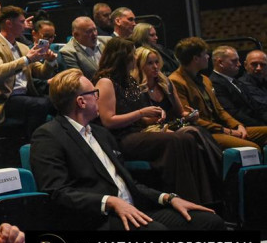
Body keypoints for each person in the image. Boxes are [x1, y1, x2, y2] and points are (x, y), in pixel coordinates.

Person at [30, 68, 224, 232]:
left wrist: (168, 198)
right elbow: (57, 192)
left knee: (209, 222)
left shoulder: (100, 133)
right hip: (99, 218)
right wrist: (110, 201)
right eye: (94, 93)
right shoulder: (49, 136)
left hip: (135, 208)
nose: (98, 97)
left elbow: (129, 183)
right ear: (81, 102)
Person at [94, 38, 216, 204]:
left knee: (187, 138)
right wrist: (141, 113)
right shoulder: (106, 82)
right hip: (120, 137)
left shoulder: (130, 81)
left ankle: (204, 197)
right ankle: (183, 197)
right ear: (122, 56)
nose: (135, 58)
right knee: (174, 140)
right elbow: (108, 121)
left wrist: (153, 118)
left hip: (138, 131)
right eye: (132, 54)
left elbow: (139, 116)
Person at [169, 37, 267, 151]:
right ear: (196, 58)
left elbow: (220, 110)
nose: (208, 57)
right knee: (253, 148)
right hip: (204, 132)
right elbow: (190, 119)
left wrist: (237, 125)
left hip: (220, 128)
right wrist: (227, 131)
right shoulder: (176, 81)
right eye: (205, 54)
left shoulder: (205, 79)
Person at [0, 6, 54, 136]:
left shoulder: (23, 47)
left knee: (59, 101)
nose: (25, 26)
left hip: (25, 96)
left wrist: (49, 61)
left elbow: (42, 73)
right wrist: (26, 59)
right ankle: (33, 142)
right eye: (21, 22)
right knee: (39, 104)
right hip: (5, 99)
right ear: (9, 23)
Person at [210, 46, 265, 126]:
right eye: (234, 61)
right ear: (220, 63)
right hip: (240, 126)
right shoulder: (215, 83)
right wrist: (260, 125)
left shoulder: (236, 81)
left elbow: (256, 107)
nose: (239, 64)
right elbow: (233, 112)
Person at [236, 50, 267, 116]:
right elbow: (261, 107)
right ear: (245, 65)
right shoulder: (241, 85)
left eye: (263, 65)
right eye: (254, 64)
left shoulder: (264, 81)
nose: (259, 68)